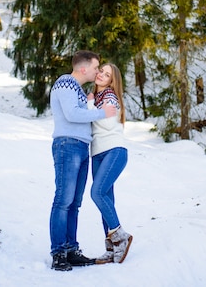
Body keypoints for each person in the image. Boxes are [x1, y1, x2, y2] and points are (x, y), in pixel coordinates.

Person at [48, 50, 117, 271]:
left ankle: (71, 249)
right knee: (63, 200)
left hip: (80, 146)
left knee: (74, 203)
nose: (98, 72)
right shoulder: (66, 82)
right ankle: (59, 252)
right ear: (84, 68)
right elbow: (72, 115)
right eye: (96, 68)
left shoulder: (76, 89)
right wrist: (101, 113)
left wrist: (89, 104)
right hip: (67, 145)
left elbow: (79, 111)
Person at [87, 63, 133, 264]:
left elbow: (105, 123)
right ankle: (112, 247)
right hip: (98, 153)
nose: (101, 76)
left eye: (107, 75)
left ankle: (120, 236)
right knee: (106, 200)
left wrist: (89, 106)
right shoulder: (96, 98)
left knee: (96, 193)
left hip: (114, 150)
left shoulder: (109, 97)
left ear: (111, 81)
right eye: (101, 72)